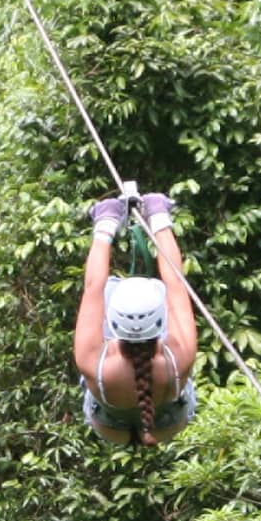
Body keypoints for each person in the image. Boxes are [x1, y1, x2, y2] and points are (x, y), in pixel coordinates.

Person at [74, 190, 198, 445]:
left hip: (110, 426)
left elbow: (93, 287)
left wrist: (105, 224)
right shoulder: (179, 356)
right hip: (167, 423)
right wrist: (159, 216)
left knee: (108, 288)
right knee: (162, 290)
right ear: (158, 324)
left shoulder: (93, 361)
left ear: (115, 324)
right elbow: (175, 282)